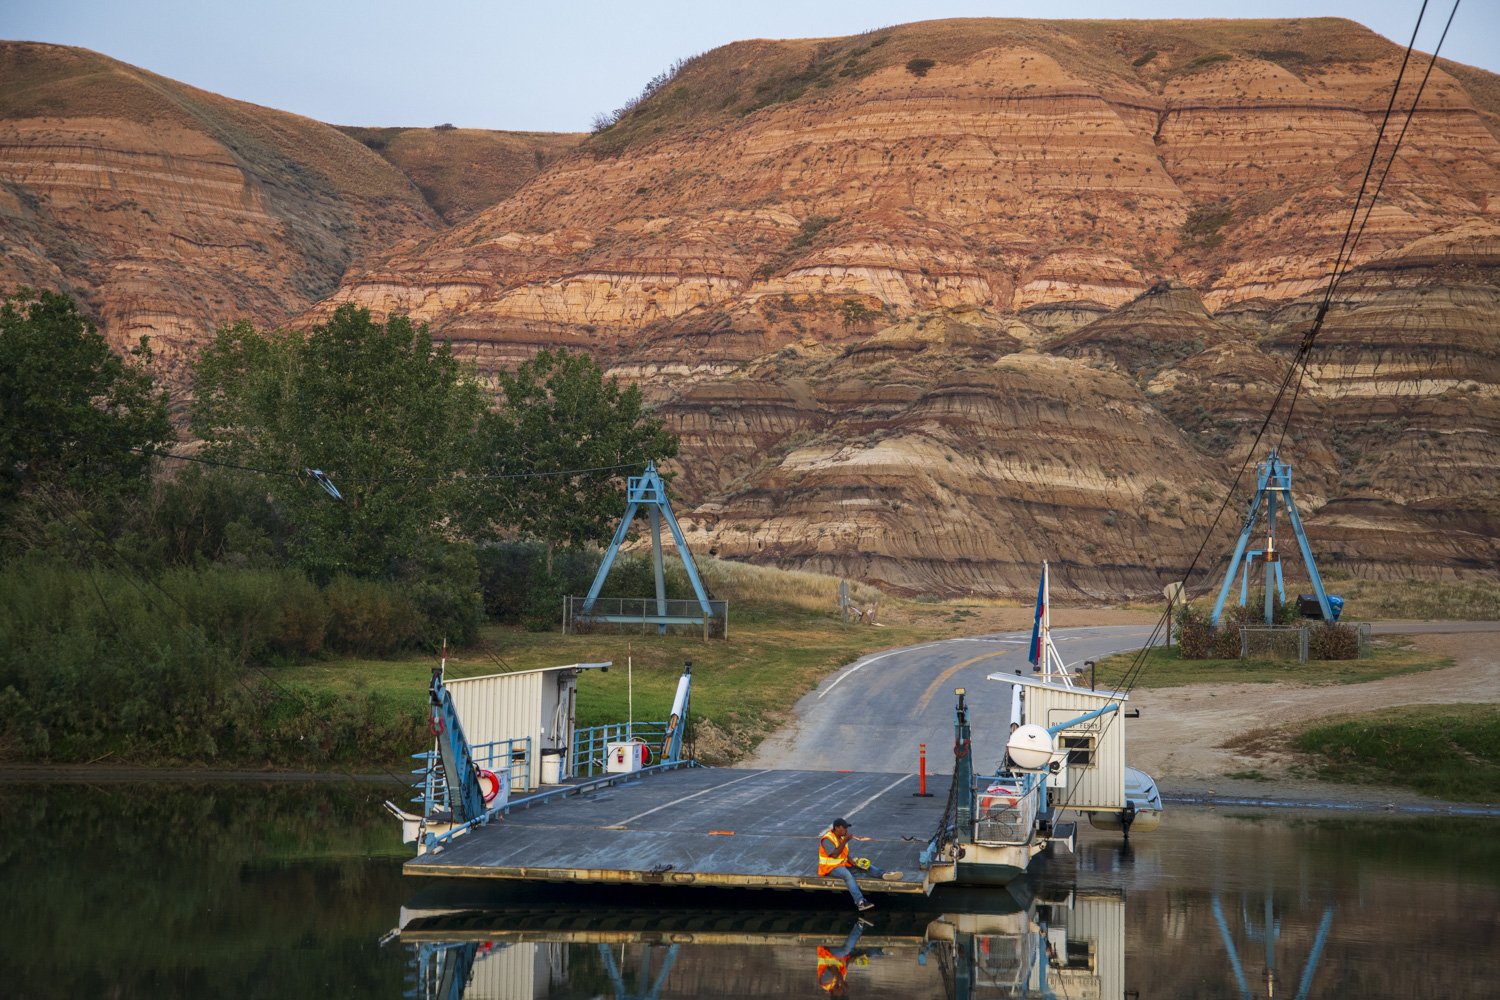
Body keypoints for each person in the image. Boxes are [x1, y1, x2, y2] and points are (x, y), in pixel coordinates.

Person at [817, 817, 902, 911]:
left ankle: (884, 874)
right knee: (847, 876)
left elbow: (844, 852)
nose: (846, 830)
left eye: (846, 828)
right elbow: (835, 854)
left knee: (863, 865)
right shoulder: (827, 839)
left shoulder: (841, 837)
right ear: (837, 828)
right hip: (830, 868)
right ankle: (860, 902)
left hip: (842, 864)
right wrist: (845, 840)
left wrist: (851, 860)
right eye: (844, 827)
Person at [816, 917, 872, 995]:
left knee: (845, 950)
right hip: (841, 956)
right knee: (867, 954)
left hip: (828, 953)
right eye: (843, 992)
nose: (841, 991)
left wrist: (842, 981)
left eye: (840, 994)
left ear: (834, 994)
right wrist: (853, 960)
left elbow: (834, 968)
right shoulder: (840, 982)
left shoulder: (825, 983)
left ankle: (860, 924)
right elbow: (845, 964)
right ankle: (882, 951)